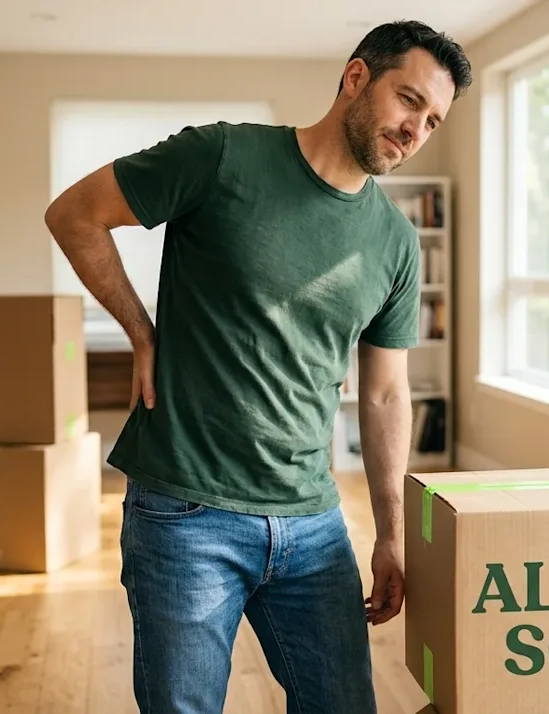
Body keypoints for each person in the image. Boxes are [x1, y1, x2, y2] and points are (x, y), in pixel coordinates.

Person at [45, 19, 471, 714]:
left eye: (432, 121)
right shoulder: (221, 156)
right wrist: (140, 331)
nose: (414, 129)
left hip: (312, 521)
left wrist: (391, 534)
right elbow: (74, 215)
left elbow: (388, 395)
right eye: (407, 100)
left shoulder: (394, 241)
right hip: (187, 514)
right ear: (356, 77)